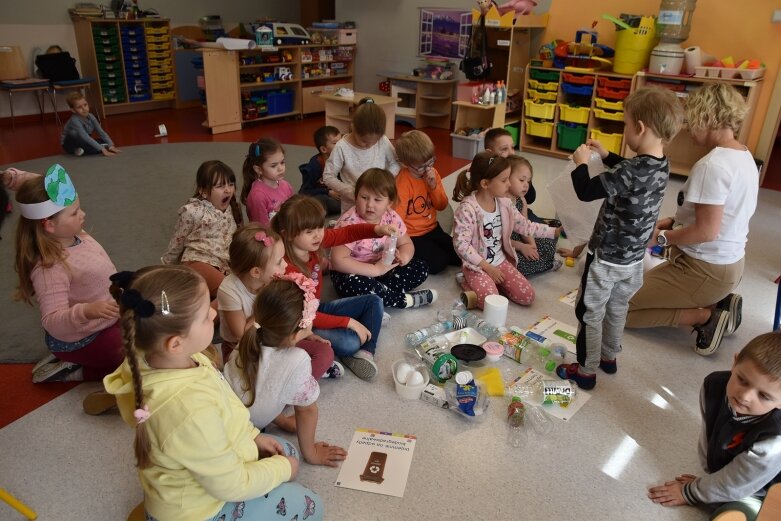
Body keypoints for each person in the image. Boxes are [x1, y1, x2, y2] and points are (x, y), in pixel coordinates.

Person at [103, 265, 323, 521]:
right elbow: (231, 486)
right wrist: (282, 470)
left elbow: (227, 405)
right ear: (175, 343)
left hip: (207, 463)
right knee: (311, 504)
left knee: (285, 451)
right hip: (201, 512)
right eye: (205, 316)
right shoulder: (189, 411)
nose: (212, 312)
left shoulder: (177, 357)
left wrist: (252, 436)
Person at [556, 86, 684, 390]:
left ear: (640, 127)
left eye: (626, 124)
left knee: (589, 312)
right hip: (633, 261)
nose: (625, 129)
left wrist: (581, 163)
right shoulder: (661, 164)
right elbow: (630, 172)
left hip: (605, 259)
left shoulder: (630, 170)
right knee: (617, 308)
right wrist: (606, 154)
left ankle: (585, 371)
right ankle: (609, 357)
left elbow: (587, 191)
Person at [626, 83, 759, 356]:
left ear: (708, 117)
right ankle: (718, 302)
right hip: (729, 266)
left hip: (704, 270)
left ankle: (705, 317)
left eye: (691, 119)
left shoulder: (712, 165)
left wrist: (662, 237)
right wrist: (674, 221)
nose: (687, 127)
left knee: (619, 309)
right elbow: (723, 216)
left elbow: (707, 231)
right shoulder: (744, 155)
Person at [12, 165, 124, 393]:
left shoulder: (75, 235)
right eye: (74, 213)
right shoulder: (50, 267)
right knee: (130, 355)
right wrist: (87, 311)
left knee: (150, 330)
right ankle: (74, 370)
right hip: (82, 337)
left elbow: (43, 183)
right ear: (50, 225)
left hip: (108, 316)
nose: (82, 214)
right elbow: (52, 321)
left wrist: (15, 178)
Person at [648, 332, 781, 521]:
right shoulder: (713, 385)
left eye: (764, 396)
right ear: (734, 362)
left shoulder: (776, 436)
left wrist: (691, 492)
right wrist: (708, 482)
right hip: (739, 479)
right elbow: (708, 436)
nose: (745, 396)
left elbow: (741, 483)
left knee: (732, 516)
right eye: (742, 380)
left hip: (764, 489)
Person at [225, 276, 349, 468]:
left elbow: (262, 384)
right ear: (296, 333)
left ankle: (279, 419)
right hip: (245, 431)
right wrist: (312, 453)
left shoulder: (249, 336)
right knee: (290, 459)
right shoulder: (298, 359)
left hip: (229, 414)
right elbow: (306, 411)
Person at [272, 194, 394, 380]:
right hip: (300, 323)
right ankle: (357, 341)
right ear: (287, 234)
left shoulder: (314, 243)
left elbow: (347, 233)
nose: (318, 234)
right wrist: (348, 322)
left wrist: (378, 229)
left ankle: (365, 353)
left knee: (374, 301)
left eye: (320, 227)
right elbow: (304, 316)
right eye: (309, 231)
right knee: (350, 342)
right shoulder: (286, 270)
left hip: (315, 308)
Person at [217, 223, 340, 381]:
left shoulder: (273, 279)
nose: (286, 265)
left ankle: (290, 384)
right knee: (252, 379)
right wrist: (266, 303)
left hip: (276, 339)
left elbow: (286, 317)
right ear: (256, 272)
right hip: (243, 350)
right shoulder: (229, 290)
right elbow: (242, 337)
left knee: (324, 352)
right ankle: (280, 392)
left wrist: (303, 333)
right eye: (279, 262)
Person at [452, 152, 558, 310]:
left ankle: (492, 285)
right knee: (490, 303)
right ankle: (465, 281)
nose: (509, 184)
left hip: (501, 263)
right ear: (485, 184)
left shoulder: (505, 203)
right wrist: (488, 269)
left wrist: (554, 232)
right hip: (478, 266)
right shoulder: (467, 209)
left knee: (528, 297)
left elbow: (524, 226)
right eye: (504, 180)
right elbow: (461, 245)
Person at [331, 168, 437, 309]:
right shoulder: (349, 222)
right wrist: (375, 270)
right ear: (356, 197)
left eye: (377, 199)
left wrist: (404, 257)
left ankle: (379, 295)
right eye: (364, 197)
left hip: (383, 269)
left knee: (421, 267)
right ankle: (401, 300)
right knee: (351, 284)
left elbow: (406, 243)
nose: (370, 204)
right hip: (354, 272)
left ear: (389, 203)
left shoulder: (391, 217)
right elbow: (338, 261)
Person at [161, 160, 241, 300]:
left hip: (223, 265)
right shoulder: (193, 211)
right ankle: (204, 320)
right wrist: (166, 271)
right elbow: (177, 241)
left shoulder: (231, 209)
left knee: (242, 291)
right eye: (220, 186)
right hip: (197, 262)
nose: (228, 190)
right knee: (232, 295)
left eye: (231, 184)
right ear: (203, 191)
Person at [393, 129, 460, 274]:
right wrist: (403, 245)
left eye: (431, 162)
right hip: (412, 235)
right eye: (421, 166)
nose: (427, 168)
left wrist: (433, 186)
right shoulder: (402, 182)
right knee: (438, 263)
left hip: (433, 228)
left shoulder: (432, 173)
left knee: (461, 254)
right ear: (406, 164)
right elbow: (397, 220)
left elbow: (442, 206)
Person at [323, 98, 400, 213]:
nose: (368, 145)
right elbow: (328, 176)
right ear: (353, 127)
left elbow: (395, 162)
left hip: (378, 204)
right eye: (364, 141)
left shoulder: (382, 140)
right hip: (352, 207)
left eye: (374, 142)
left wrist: (385, 178)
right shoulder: (342, 147)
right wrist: (351, 191)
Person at [507, 155, 562, 276]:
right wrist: (521, 247)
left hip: (520, 238)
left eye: (528, 181)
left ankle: (544, 263)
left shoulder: (521, 200)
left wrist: (531, 245)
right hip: (506, 245)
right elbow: (498, 239)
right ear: (506, 178)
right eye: (522, 180)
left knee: (548, 245)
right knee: (517, 264)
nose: (526, 185)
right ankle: (546, 265)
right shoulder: (500, 202)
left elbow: (525, 227)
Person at [241, 137, 295, 226]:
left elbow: (294, 211)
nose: (280, 168)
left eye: (282, 162)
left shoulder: (286, 185)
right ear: (258, 169)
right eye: (273, 166)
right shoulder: (258, 195)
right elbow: (261, 229)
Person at [299, 125, 343, 215]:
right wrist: (328, 192)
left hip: (337, 196)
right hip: (321, 195)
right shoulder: (314, 166)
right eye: (335, 143)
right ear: (323, 149)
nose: (341, 145)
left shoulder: (341, 159)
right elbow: (305, 191)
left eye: (341, 141)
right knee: (321, 200)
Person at [61, 92, 120, 157]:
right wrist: (102, 149)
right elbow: (85, 137)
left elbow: (101, 132)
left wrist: (111, 145)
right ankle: (75, 150)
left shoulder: (91, 116)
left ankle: (83, 150)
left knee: (103, 142)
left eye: (85, 105)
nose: (84, 109)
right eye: (79, 107)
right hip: (70, 143)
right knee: (97, 148)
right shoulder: (74, 120)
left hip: (84, 140)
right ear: (73, 110)